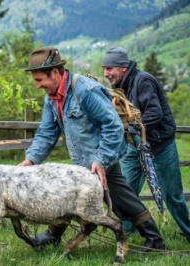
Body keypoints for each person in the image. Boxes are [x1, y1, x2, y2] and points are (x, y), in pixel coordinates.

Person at [19, 46, 166, 252]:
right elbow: (47, 132)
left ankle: (155, 241)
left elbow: (113, 125)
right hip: (83, 161)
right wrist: (31, 159)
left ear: (54, 73)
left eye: (39, 80)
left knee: (118, 197)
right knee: (72, 194)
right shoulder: (52, 97)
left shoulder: (85, 91)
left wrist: (101, 159)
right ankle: (53, 236)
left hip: (104, 155)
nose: (37, 86)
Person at [102, 46, 190, 243]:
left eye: (110, 68)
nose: (106, 74)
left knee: (171, 194)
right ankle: (126, 234)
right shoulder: (119, 87)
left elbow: (154, 113)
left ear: (123, 67)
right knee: (125, 190)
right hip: (134, 146)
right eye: (104, 69)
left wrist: (131, 127)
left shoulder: (144, 81)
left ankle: (188, 231)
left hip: (159, 144)